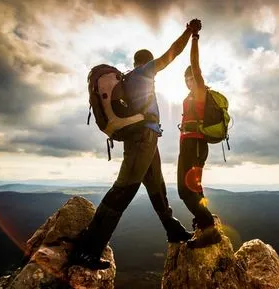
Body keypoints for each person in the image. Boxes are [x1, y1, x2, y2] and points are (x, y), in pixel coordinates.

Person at [70, 19, 202, 270]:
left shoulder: (129, 78)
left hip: (147, 140)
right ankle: (87, 250)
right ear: (146, 62)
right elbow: (171, 54)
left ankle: (173, 230)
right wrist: (189, 32)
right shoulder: (144, 73)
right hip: (141, 141)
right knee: (123, 191)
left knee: (157, 189)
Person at [178, 24, 222, 249]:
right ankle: (204, 220)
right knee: (194, 187)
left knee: (184, 190)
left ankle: (208, 230)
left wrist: (194, 37)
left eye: (191, 77)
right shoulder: (190, 96)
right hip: (190, 143)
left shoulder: (200, 91)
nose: (189, 80)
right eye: (186, 78)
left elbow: (195, 65)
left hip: (195, 143)